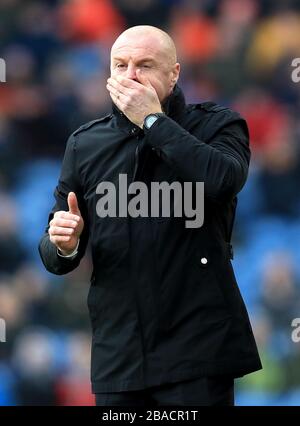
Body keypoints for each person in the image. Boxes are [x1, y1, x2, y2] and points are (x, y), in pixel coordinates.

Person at [39, 25, 262, 406]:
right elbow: (54, 250)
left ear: (173, 74)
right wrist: (63, 243)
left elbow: (222, 180)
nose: (130, 76)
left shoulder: (217, 125)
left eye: (144, 65)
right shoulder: (86, 143)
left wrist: (153, 120)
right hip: (119, 351)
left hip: (198, 347)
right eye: (120, 65)